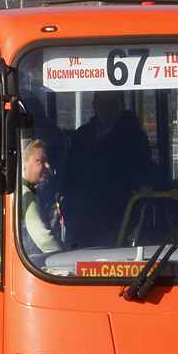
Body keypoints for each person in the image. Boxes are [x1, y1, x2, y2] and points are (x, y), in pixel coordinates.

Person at [60, 91, 154, 247]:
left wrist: (144, 184)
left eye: (112, 104)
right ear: (94, 106)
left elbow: (142, 168)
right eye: (102, 103)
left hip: (113, 221)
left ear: (122, 107)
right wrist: (63, 195)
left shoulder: (133, 138)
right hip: (77, 219)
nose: (106, 109)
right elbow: (69, 168)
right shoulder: (83, 135)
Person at [21, 139, 65, 256]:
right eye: (41, 161)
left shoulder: (24, 191)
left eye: (47, 161)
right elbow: (43, 239)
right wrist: (65, 256)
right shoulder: (26, 195)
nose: (48, 165)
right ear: (24, 162)